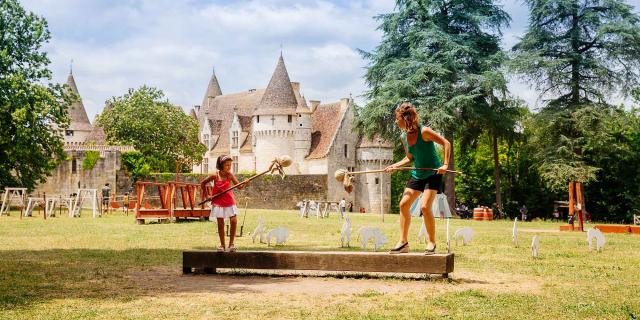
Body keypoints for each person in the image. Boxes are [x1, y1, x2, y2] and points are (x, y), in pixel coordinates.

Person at [384, 102, 450, 255]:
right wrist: (395, 165)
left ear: (405, 118)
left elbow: (446, 143)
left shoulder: (424, 132)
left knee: (425, 207)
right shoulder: (403, 137)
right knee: (403, 205)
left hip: (433, 173)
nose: (395, 121)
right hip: (418, 174)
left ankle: (431, 242)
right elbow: (410, 158)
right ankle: (403, 243)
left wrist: (445, 164)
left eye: (397, 118)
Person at [200, 155, 247, 252]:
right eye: (227, 165)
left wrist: (245, 182)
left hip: (229, 201)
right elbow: (203, 183)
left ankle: (231, 245)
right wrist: (207, 196)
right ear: (221, 165)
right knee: (220, 224)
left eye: (230, 165)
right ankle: (222, 245)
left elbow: (240, 187)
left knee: (234, 220)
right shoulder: (215, 175)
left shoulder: (230, 175)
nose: (229, 167)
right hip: (218, 202)